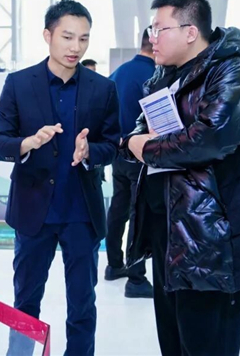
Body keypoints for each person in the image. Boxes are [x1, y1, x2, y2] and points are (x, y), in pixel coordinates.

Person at [119, 0, 240, 356]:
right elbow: (139, 130)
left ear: (190, 31)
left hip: (212, 239)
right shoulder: (165, 77)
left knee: (208, 342)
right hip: (169, 231)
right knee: (173, 339)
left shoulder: (232, 72)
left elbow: (207, 139)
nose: (152, 38)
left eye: (159, 29)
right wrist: (133, 142)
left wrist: (144, 147)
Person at [0, 0, 120, 356]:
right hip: (34, 211)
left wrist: (90, 152)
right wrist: (28, 143)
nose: (76, 47)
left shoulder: (103, 88)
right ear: (48, 35)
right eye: (67, 37)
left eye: (83, 38)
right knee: (25, 300)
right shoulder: (19, 84)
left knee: (82, 304)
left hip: (81, 213)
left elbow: (113, 145)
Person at [105, 28, 155, 298]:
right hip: (140, 154)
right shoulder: (154, 75)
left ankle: (114, 264)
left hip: (118, 153)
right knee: (139, 213)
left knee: (119, 207)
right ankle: (136, 278)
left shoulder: (119, 72)